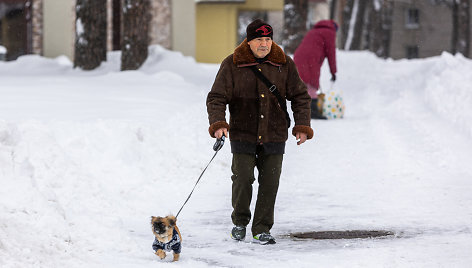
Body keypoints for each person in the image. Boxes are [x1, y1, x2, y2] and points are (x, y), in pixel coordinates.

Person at [206, 19, 314, 245]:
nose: (264, 44)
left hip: (274, 134)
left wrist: (302, 126)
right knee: (243, 179)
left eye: (268, 39)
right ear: (249, 41)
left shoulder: (284, 64)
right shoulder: (232, 64)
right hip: (243, 133)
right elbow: (216, 97)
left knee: (270, 183)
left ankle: (262, 228)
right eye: (259, 39)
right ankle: (240, 222)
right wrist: (219, 123)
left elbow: (301, 97)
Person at [294, 19, 338, 120]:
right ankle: (313, 111)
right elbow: (331, 53)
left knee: (304, 84)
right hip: (311, 59)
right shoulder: (330, 33)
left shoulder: (314, 31)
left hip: (299, 57)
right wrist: (333, 72)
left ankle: (303, 111)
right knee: (312, 84)